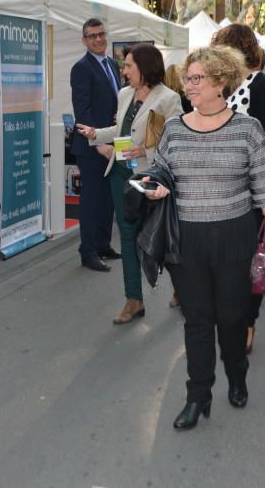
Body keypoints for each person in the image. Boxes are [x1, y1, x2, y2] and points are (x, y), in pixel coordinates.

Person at [140, 46, 265, 430]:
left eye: (196, 79)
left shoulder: (247, 129)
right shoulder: (174, 128)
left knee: (232, 318)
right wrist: (155, 185)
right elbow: (161, 170)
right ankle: (198, 395)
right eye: (186, 78)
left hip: (232, 239)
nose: (188, 86)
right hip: (185, 240)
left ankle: (237, 374)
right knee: (197, 321)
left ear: (221, 82)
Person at [76, 44, 183, 324]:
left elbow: (174, 139)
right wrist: (96, 134)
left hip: (151, 176)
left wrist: (146, 152)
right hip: (121, 174)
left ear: (144, 68)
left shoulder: (169, 99)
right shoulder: (124, 94)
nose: (123, 70)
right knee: (128, 236)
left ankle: (182, 288)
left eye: (128, 66)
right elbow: (121, 131)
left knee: (159, 235)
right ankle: (133, 299)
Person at [210, 23, 265, 354]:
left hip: (248, 194)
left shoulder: (261, 88)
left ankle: (247, 322)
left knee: (248, 262)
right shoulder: (224, 86)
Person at [70, 18, 120, 272]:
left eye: (101, 34)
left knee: (108, 199)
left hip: (115, 142)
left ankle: (103, 244)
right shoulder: (82, 68)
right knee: (91, 201)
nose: (98, 39)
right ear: (85, 40)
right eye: (92, 36)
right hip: (93, 148)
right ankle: (87, 251)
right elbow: (82, 111)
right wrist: (97, 142)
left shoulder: (112, 64)